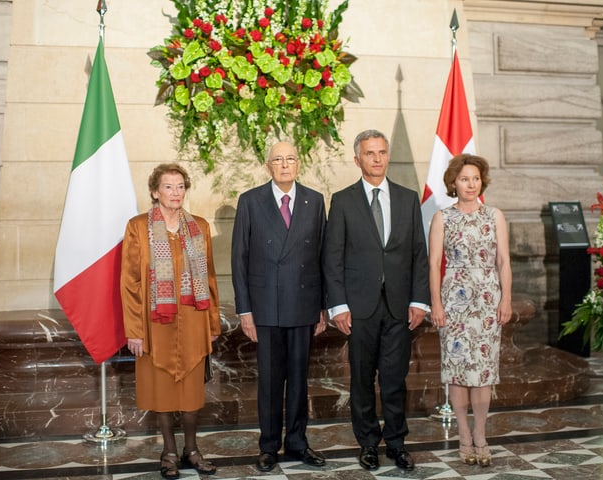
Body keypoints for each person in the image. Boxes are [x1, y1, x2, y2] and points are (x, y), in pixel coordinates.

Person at [323, 129, 430, 471]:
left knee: (395, 378)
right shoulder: (342, 200)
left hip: (399, 306)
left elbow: (418, 254)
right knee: (362, 379)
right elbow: (333, 257)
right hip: (359, 307)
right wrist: (338, 305)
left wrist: (419, 301)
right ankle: (368, 443)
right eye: (370, 153)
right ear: (358, 159)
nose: (377, 158)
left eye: (382, 152)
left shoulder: (407, 198)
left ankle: (397, 443)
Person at [231, 141, 327, 473]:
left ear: (298, 163)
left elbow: (321, 257)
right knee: (270, 380)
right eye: (278, 160)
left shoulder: (314, 201)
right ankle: (269, 445)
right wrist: (245, 310)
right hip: (266, 306)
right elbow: (239, 258)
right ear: (268, 165)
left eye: (290, 158)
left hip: (303, 304)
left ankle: (298, 443)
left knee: (299, 379)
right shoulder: (250, 201)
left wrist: (323, 307)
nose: (285, 165)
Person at [121, 163, 221, 479]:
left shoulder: (200, 227)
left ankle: (192, 449)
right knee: (161, 387)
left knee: (191, 390)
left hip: (193, 321)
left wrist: (213, 325)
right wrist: (134, 330)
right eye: (168, 186)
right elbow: (130, 282)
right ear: (155, 192)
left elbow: (211, 278)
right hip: (154, 324)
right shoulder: (138, 227)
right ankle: (168, 451)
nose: (175, 192)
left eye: (180, 186)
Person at [428, 154, 512, 467]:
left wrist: (506, 299)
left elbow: (503, 260)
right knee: (459, 372)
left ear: (481, 182)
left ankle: (480, 434)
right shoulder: (443, 218)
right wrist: (436, 303)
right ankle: (463, 434)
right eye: (464, 179)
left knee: (483, 373)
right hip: (454, 302)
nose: (470, 184)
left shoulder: (495, 216)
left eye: (475, 178)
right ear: (453, 183)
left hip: (488, 301)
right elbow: (434, 263)